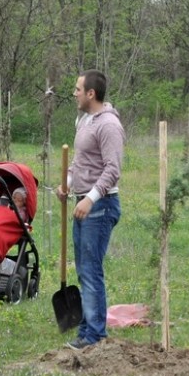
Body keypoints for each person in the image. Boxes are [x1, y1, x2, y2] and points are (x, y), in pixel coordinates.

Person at [56, 69, 125, 350]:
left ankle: (95, 335)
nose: (74, 93)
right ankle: (88, 328)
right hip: (83, 202)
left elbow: (113, 169)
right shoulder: (84, 120)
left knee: (91, 270)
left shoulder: (108, 125)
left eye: (77, 89)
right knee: (84, 269)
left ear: (90, 94)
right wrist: (68, 184)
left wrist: (90, 198)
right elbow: (81, 161)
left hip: (100, 206)